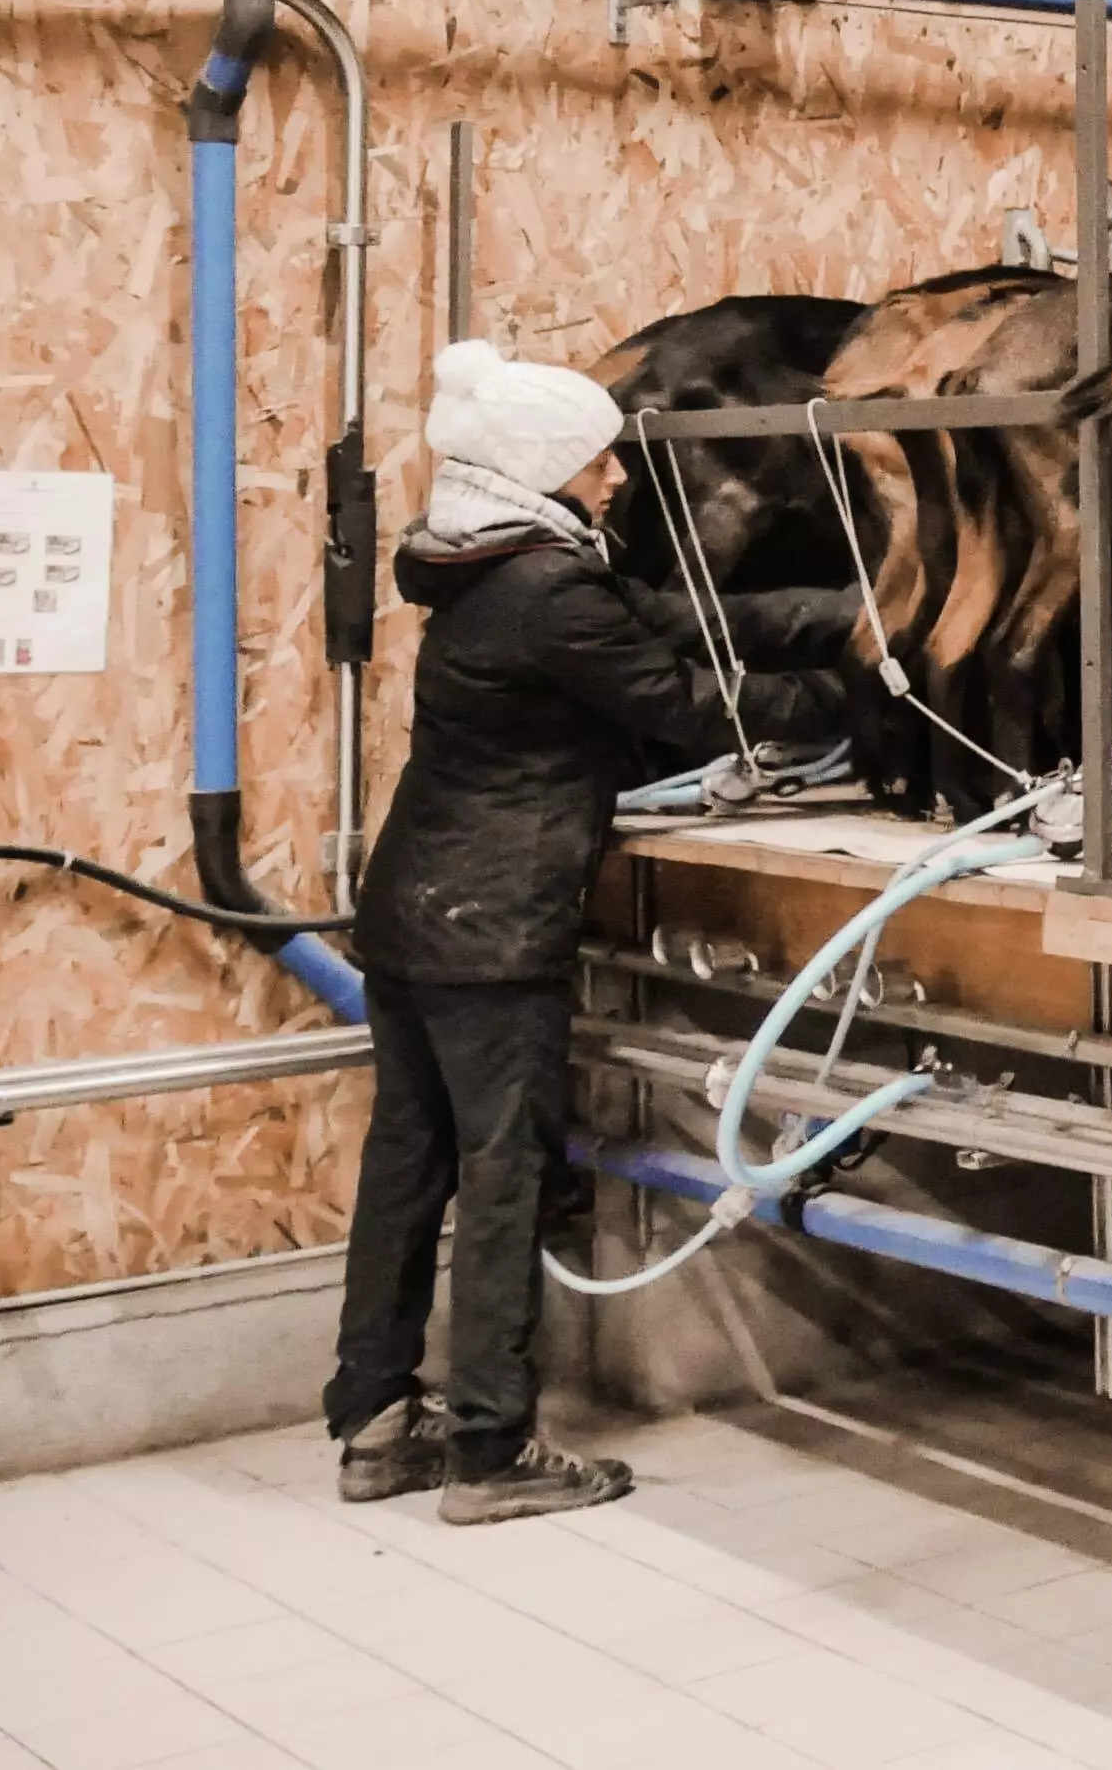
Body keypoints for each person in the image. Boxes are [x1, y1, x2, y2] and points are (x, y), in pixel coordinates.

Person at [326, 338, 856, 1525]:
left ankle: (373, 1420)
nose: (618, 476)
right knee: (506, 1174)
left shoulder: (491, 564)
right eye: (599, 458)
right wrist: (847, 700)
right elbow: (675, 701)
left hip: (415, 909)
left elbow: (674, 615)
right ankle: (489, 1451)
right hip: (494, 926)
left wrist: (834, 614)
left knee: (408, 1165)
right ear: (545, 468)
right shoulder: (548, 591)